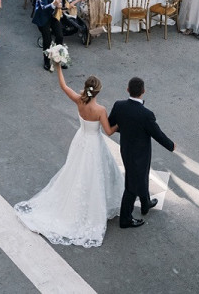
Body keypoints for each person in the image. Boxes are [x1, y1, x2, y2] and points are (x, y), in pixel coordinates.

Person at [15, 66, 123, 247]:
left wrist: (58, 67)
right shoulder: (100, 110)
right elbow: (109, 132)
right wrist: (120, 123)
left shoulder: (79, 100)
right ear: (98, 91)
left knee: (76, 171)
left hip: (81, 140)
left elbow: (64, 86)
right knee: (95, 174)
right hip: (94, 144)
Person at [108, 77, 175, 228]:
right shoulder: (146, 114)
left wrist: (126, 126)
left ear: (127, 90)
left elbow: (112, 123)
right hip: (140, 154)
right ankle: (125, 219)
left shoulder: (119, 106)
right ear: (143, 91)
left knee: (142, 176)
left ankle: (145, 203)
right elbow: (158, 134)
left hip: (126, 150)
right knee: (132, 187)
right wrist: (171, 146)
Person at [33, 0, 63, 71]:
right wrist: (53, 4)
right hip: (43, 17)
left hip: (54, 15)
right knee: (47, 40)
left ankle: (59, 59)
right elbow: (44, 7)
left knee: (60, 36)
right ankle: (46, 62)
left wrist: (62, 4)